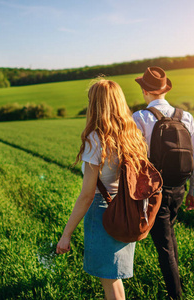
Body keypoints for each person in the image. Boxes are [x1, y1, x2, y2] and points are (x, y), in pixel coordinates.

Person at [56, 78, 150, 300]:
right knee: (114, 277)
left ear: (96, 105)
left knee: (110, 281)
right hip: (128, 208)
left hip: (103, 211)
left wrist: (66, 235)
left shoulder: (96, 138)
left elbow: (87, 195)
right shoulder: (132, 133)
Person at [132, 66, 194, 299]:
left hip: (155, 191)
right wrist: (193, 190)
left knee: (164, 248)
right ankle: (178, 282)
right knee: (169, 235)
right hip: (179, 188)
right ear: (164, 90)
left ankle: (176, 295)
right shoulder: (186, 117)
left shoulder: (141, 118)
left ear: (145, 90)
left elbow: (136, 159)